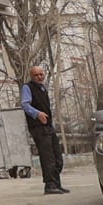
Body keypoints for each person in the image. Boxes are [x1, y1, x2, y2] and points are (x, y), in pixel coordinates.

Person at [23, 65, 66, 193]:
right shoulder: (27, 88)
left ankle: (57, 183)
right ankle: (50, 185)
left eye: (41, 74)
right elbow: (25, 105)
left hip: (48, 126)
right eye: (36, 75)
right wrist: (37, 114)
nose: (39, 77)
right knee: (48, 158)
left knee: (57, 157)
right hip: (38, 128)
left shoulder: (43, 88)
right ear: (32, 76)